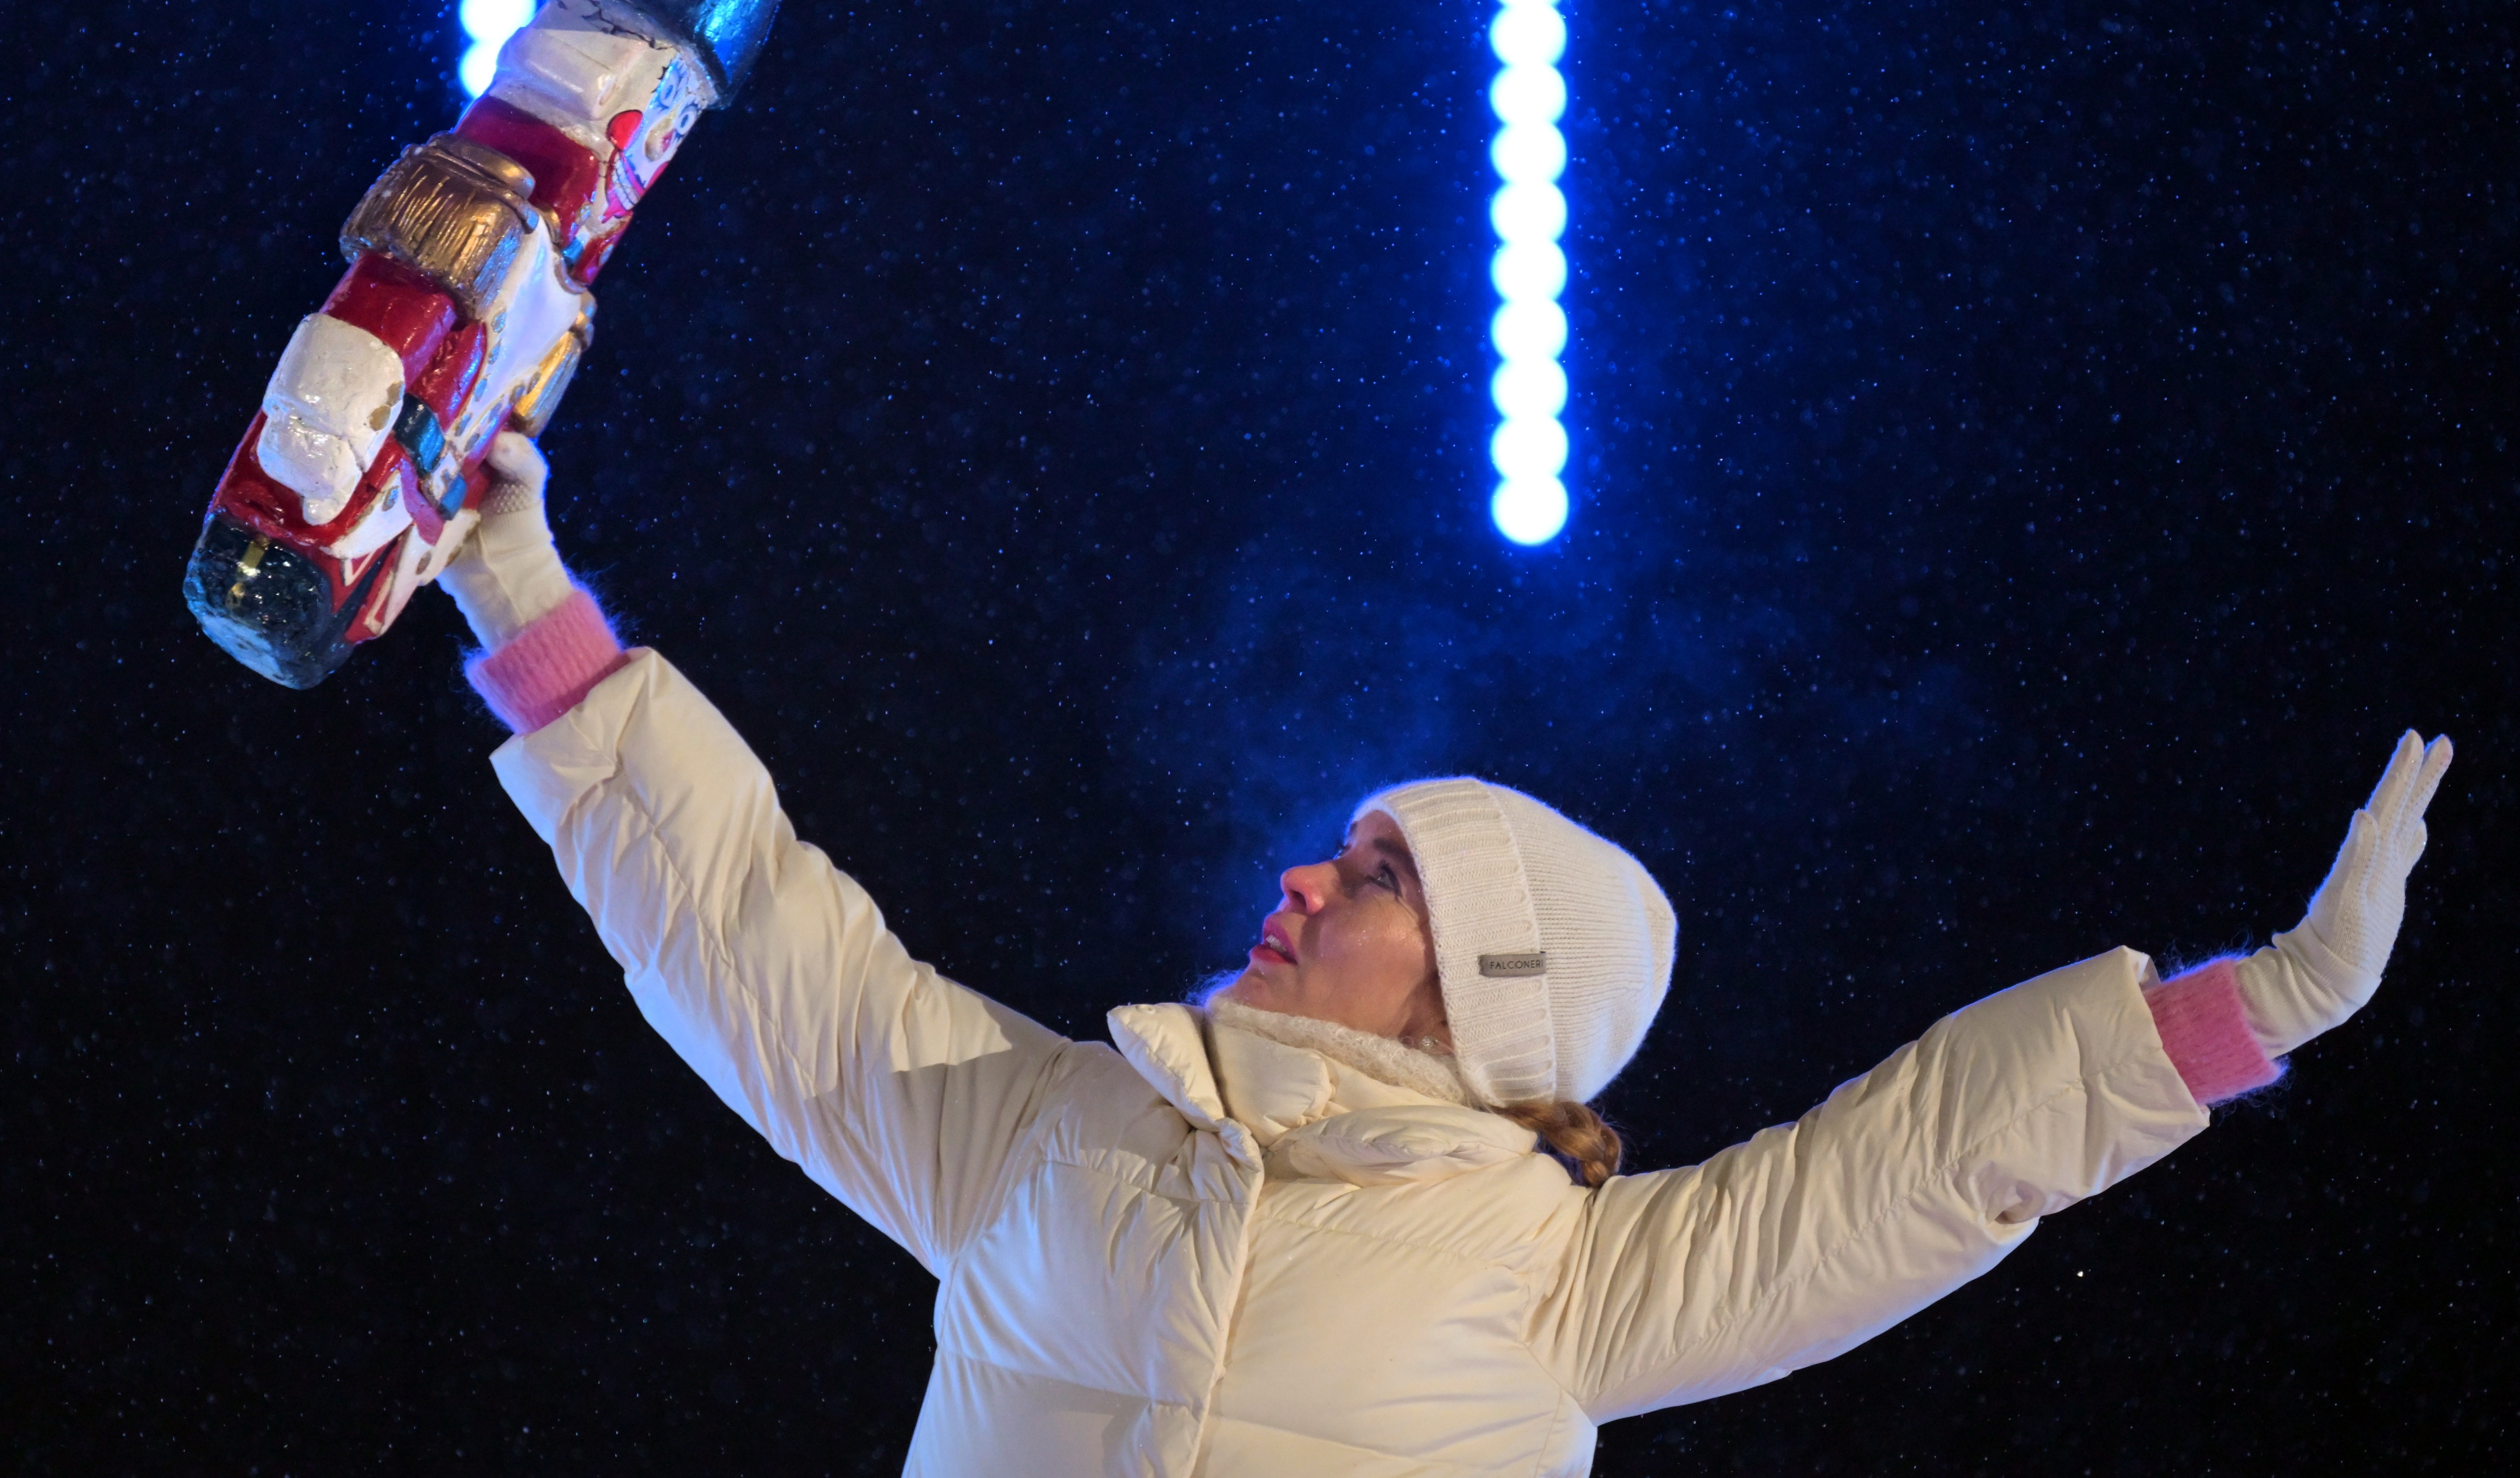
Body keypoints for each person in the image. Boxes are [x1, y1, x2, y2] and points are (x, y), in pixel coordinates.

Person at [440, 431, 2453, 1476]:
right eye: (1340, 853)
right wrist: (522, 590)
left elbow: (1923, 1162)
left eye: (1376, 875)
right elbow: (746, 933)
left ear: (1482, 986)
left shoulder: (1570, 1280)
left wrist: (2260, 1003)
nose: (1303, 880)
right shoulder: (1047, 1133)